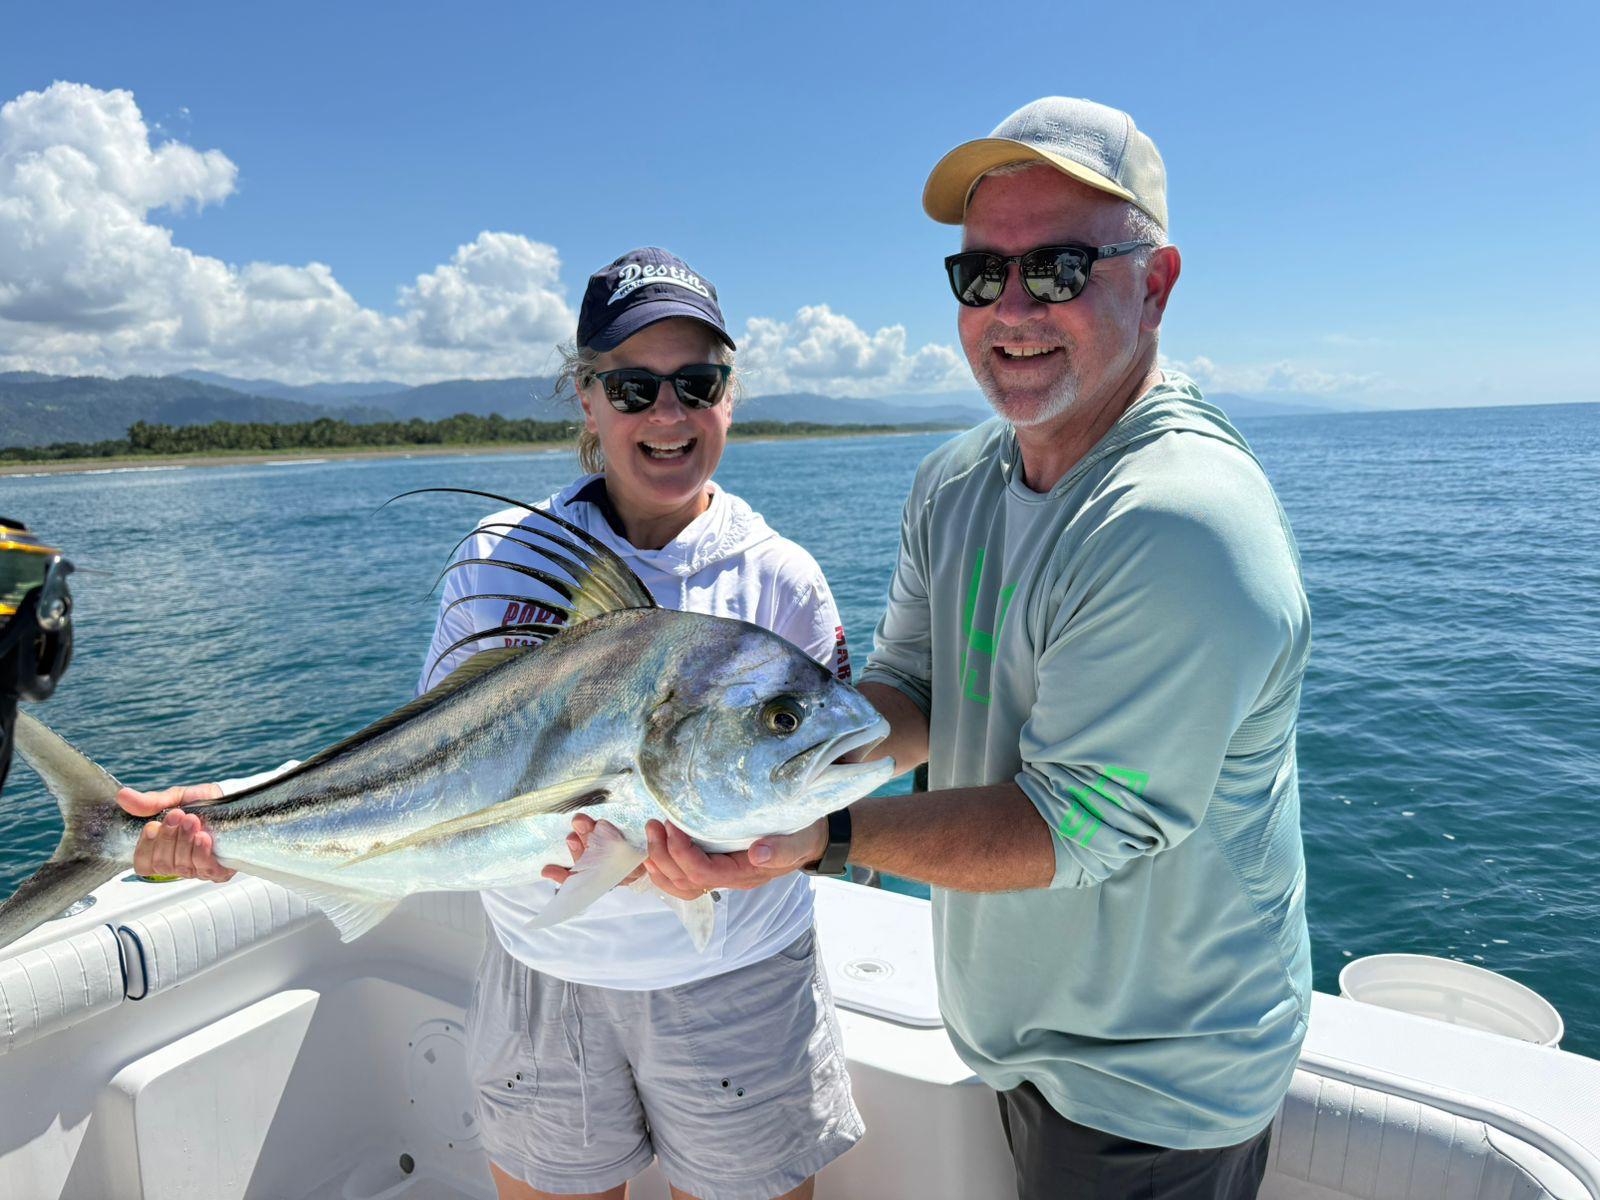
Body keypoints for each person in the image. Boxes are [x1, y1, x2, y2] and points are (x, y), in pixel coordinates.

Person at [640, 98, 1313, 1200]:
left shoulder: (1179, 522)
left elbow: (1073, 823)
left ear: (1155, 284)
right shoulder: (956, 480)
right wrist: (757, 781)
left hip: (1158, 1079)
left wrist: (813, 838)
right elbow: (912, 686)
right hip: (1023, 1035)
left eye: (1057, 269)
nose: (1012, 307)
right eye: (980, 274)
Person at [118, 247, 863, 1200]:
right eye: (633, 387)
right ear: (586, 397)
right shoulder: (504, 557)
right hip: (540, 977)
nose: (668, 414)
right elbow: (425, 764)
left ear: (730, 394)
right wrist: (231, 814)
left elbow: (810, 797)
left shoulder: (781, 578)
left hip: (739, 984)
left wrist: (756, 848)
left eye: (697, 383)